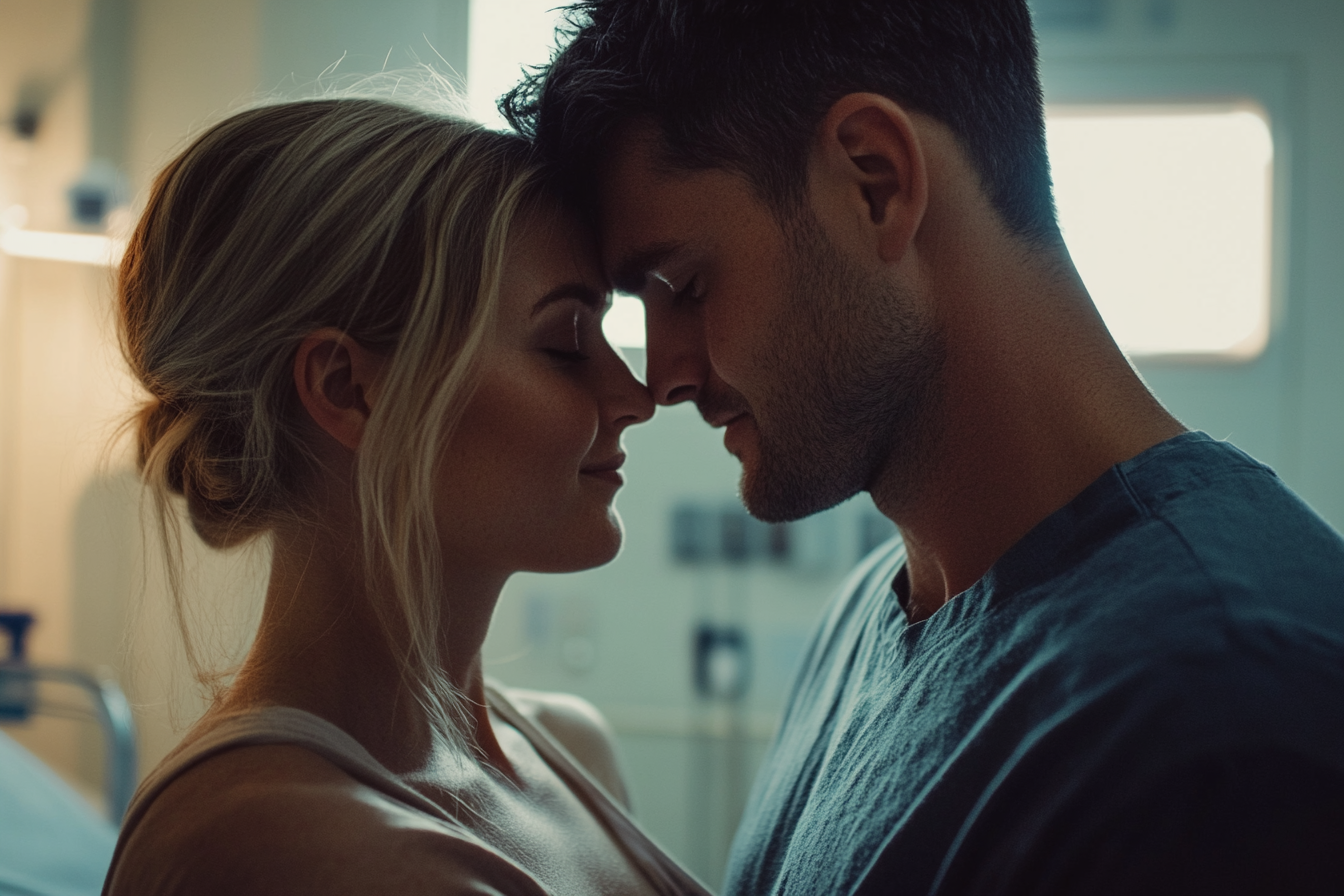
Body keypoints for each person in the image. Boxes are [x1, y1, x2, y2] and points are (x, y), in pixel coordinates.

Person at [502, 1, 1344, 893]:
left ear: (876, 181)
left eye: (688, 285)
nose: (662, 379)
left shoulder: (1232, 713)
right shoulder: (871, 614)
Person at [102, 96, 710, 896]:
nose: (636, 393)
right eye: (566, 343)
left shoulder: (568, 744)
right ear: (349, 388)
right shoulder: (277, 849)